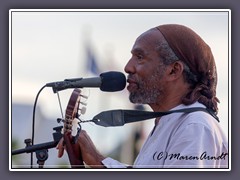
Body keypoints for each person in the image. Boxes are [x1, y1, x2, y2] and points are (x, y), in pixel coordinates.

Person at [57, 24, 228, 168]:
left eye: (140, 57)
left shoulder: (195, 126)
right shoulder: (171, 123)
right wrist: (98, 162)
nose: (127, 67)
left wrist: (100, 161)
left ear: (173, 70)